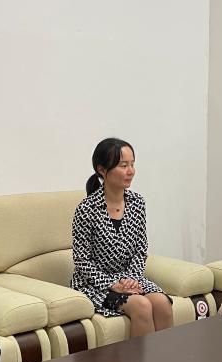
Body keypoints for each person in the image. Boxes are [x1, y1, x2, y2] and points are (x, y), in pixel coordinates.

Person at [71, 137, 173, 337]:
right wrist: (113, 285)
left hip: (128, 278)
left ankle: (166, 357)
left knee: (162, 303)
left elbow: (140, 250)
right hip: (95, 284)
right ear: (102, 170)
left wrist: (131, 280)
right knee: (142, 305)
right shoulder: (86, 209)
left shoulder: (137, 203)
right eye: (123, 165)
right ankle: (139, 360)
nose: (130, 171)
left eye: (132, 164)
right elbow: (81, 260)